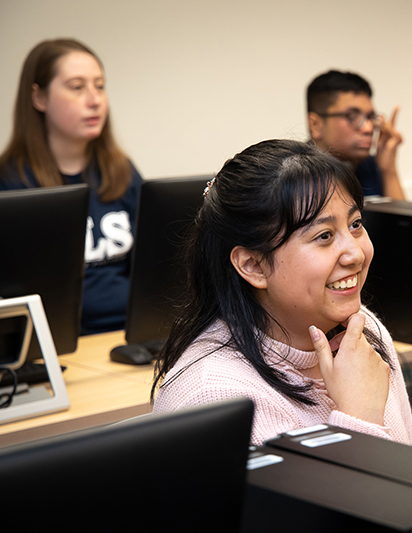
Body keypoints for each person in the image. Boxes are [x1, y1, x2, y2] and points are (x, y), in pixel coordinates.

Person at [151, 139, 412, 446]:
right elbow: (335, 496)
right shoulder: (212, 395)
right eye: (324, 236)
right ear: (253, 265)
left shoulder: (363, 330)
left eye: (355, 224)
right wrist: (360, 419)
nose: (355, 253)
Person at [0, 38, 142, 334]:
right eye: (77, 87)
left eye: (99, 86)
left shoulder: (121, 170)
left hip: (132, 333)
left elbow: (157, 268)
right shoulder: (11, 183)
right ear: (39, 98)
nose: (94, 100)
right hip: (62, 342)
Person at [306, 70, 405, 200]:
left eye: (370, 117)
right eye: (352, 116)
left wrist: (389, 170)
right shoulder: (292, 174)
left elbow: (399, 220)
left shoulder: (370, 166)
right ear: (315, 125)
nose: (369, 128)